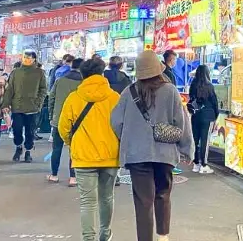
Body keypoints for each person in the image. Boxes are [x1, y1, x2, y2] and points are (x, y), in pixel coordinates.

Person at [111, 50, 193, 241]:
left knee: (143, 201)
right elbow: (181, 122)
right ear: (158, 69)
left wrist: (128, 138)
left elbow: (115, 121)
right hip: (164, 155)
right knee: (163, 194)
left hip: (136, 155)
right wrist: (186, 149)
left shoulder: (128, 92)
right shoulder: (170, 90)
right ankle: (163, 236)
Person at [59, 58, 121, 241]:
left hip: (83, 158)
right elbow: (122, 126)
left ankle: (88, 238)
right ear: (102, 74)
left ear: (82, 76)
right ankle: (105, 234)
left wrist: (74, 143)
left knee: (88, 201)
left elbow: (63, 128)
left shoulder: (74, 98)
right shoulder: (114, 98)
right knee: (107, 198)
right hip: (110, 156)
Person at [1, 50, 47, 163]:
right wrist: (6, 104)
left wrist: (39, 103)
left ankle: (28, 151)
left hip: (32, 108)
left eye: (29, 58)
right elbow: (10, 89)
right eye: (25, 57)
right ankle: (18, 147)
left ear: (34, 59)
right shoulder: (16, 72)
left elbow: (43, 89)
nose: (26, 60)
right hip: (17, 107)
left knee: (30, 132)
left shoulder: (39, 73)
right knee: (16, 129)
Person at [48, 57, 83, 185]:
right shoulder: (84, 83)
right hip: (78, 122)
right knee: (73, 149)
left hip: (59, 120)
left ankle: (54, 175)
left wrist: (52, 116)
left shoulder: (60, 81)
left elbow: (51, 98)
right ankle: (73, 177)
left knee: (56, 148)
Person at [187, 65, 218, 174]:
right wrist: (216, 116)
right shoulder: (209, 86)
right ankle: (204, 165)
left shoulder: (193, 85)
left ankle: (196, 164)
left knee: (195, 140)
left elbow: (190, 99)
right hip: (208, 116)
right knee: (205, 140)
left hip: (195, 116)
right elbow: (215, 103)